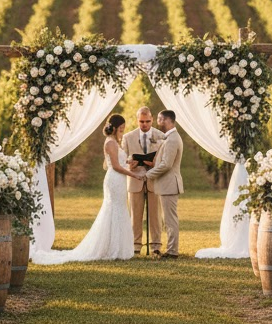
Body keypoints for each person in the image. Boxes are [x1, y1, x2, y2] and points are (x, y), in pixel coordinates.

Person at [30, 114, 141, 265]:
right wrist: (132, 174)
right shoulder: (111, 143)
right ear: (114, 128)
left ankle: (118, 247)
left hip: (119, 179)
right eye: (121, 128)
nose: (123, 131)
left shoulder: (115, 142)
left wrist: (129, 165)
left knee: (119, 209)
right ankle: (112, 248)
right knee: (114, 210)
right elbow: (114, 166)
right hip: (115, 179)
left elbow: (116, 163)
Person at [122, 106, 164, 255]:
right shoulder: (128, 137)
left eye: (147, 121)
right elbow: (122, 159)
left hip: (154, 179)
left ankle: (156, 246)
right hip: (134, 179)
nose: (144, 124)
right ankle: (135, 246)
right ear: (137, 121)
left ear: (152, 119)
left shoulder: (161, 136)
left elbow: (166, 159)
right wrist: (129, 163)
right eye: (141, 122)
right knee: (135, 214)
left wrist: (155, 164)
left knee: (155, 215)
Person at [144, 110, 184, 258]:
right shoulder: (170, 137)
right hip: (167, 185)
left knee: (170, 220)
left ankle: (172, 251)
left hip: (169, 185)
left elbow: (166, 164)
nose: (157, 123)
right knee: (168, 219)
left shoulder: (173, 139)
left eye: (159, 119)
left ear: (167, 120)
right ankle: (171, 249)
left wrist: (148, 175)